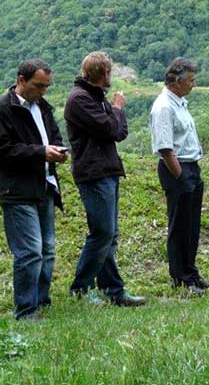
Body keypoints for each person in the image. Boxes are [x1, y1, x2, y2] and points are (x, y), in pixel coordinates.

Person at [65, 52, 145, 307]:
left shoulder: (95, 97)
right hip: (94, 173)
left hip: (106, 170)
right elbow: (112, 129)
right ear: (104, 73)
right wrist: (118, 108)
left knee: (109, 234)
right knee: (102, 233)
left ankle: (113, 290)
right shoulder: (80, 99)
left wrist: (114, 115)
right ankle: (81, 288)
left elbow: (119, 132)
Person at [0, 59, 67, 320]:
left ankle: (41, 301)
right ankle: (26, 309)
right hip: (17, 190)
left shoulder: (43, 106)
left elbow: (54, 135)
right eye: (38, 86)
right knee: (29, 252)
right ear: (21, 80)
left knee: (47, 249)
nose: (43, 91)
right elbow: (4, 150)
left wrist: (57, 150)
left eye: (46, 86)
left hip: (45, 185)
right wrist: (41, 153)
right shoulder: (4, 109)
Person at [149, 58, 209, 296]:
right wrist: (180, 176)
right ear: (177, 81)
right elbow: (165, 148)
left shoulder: (179, 103)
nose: (194, 84)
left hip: (191, 166)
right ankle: (181, 278)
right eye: (191, 80)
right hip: (177, 168)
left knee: (192, 224)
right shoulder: (164, 107)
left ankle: (191, 272)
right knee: (180, 226)